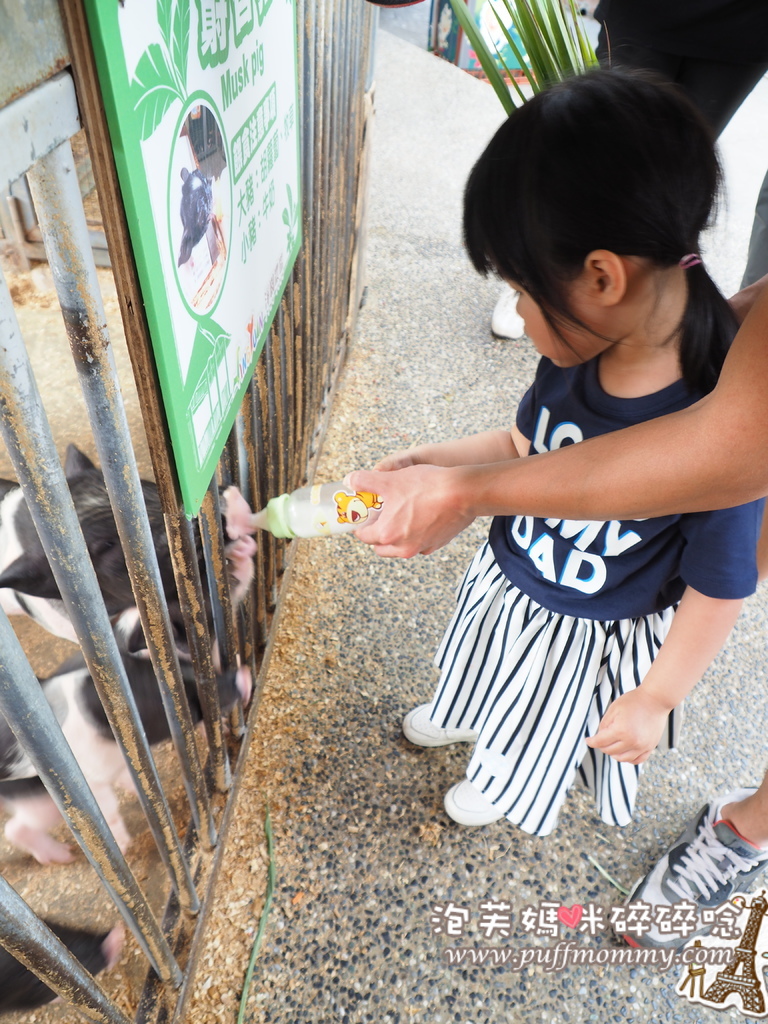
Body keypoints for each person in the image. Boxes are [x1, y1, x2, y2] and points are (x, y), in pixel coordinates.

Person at [367, 69, 764, 855]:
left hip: (587, 626)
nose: (515, 311)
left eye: (520, 288)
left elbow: (721, 586)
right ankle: (468, 707)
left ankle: (503, 771)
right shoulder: (584, 346)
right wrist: (430, 464)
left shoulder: (724, 420)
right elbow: (526, 449)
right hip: (516, 580)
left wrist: (656, 697)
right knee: (483, 658)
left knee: (535, 712)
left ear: (601, 276)